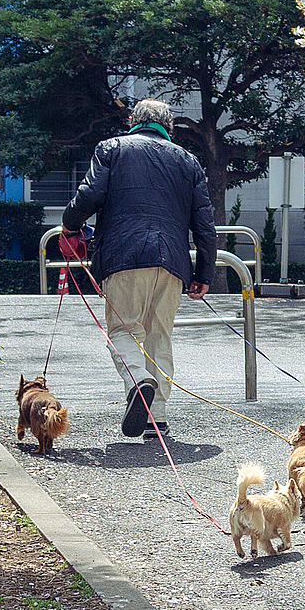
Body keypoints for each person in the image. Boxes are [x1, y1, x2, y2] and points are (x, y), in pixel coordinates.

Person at [61, 99, 217, 440]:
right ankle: (155, 418)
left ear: (133, 120)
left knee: (124, 331)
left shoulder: (112, 149)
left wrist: (69, 226)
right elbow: (204, 223)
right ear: (169, 127)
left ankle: (138, 380)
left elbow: (89, 195)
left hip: (124, 256)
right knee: (159, 335)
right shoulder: (187, 161)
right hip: (174, 262)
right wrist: (204, 272)